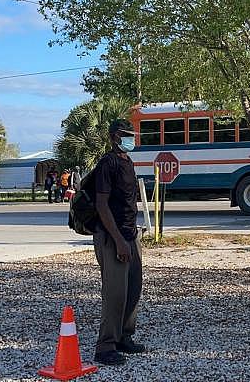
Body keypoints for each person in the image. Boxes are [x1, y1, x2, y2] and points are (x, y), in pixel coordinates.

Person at [93, 119, 146, 366]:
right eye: (126, 136)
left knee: (133, 287)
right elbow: (102, 204)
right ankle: (105, 346)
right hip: (112, 236)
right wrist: (118, 241)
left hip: (130, 233)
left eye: (132, 135)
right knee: (114, 293)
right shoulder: (108, 163)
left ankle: (124, 335)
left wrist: (132, 236)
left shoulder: (128, 161)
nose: (131, 140)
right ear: (114, 137)